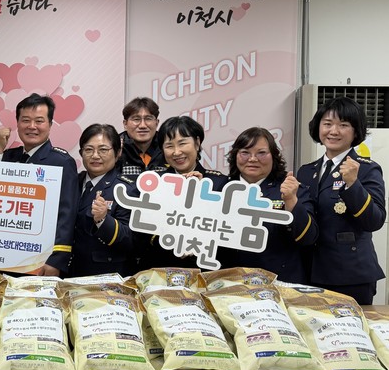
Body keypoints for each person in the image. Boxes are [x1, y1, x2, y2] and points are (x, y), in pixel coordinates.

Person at [298, 97, 386, 304]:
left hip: (350, 275)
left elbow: (375, 221)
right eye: (327, 124)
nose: (334, 131)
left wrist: (353, 184)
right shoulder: (306, 171)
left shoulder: (366, 169)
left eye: (343, 125)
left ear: (356, 131)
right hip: (309, 272)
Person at [0, 93, 78, 276]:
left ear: (50, 125)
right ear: (17, 124)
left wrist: (56, 260)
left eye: (39, 121)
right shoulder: (8, 156)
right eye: (25, 120)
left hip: (40, 261)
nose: (32, 126)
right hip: (3, 255)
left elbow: (67, 215)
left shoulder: (62, 162)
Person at [224, 127, 317, 282]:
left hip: (279, 283)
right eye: (245, 152)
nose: (252, 159)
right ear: (235, 155)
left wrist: (291, 201)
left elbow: (308, 238)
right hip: (230, 282)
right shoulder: (221, 188)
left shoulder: (290, 188)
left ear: (274, 156)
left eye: (261, 153)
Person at [139, 115, 228, 270]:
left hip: (206, 271)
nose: (176, 152)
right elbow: (142, 233)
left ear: (197, 143)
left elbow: (227, 232)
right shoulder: (154, 183)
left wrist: (201, 195)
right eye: (169, 146)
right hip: (160, 268)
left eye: (182, 143)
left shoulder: (220, 183)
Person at [71, 124, 136, 276]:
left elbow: (131, 240)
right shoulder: (72, 182)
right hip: (69, 271)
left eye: (103, 150)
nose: (95, 155)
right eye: (88, 149)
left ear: (118, 152)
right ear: (81, 153)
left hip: (105, 275)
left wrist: (103, 220)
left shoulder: (125, 189)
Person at [118, 97, 164, 177]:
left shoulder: (166, 146)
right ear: (125, 124)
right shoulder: (115, 148)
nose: (142, 125)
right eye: (136, 119)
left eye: (148, 119)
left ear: (157, 123)